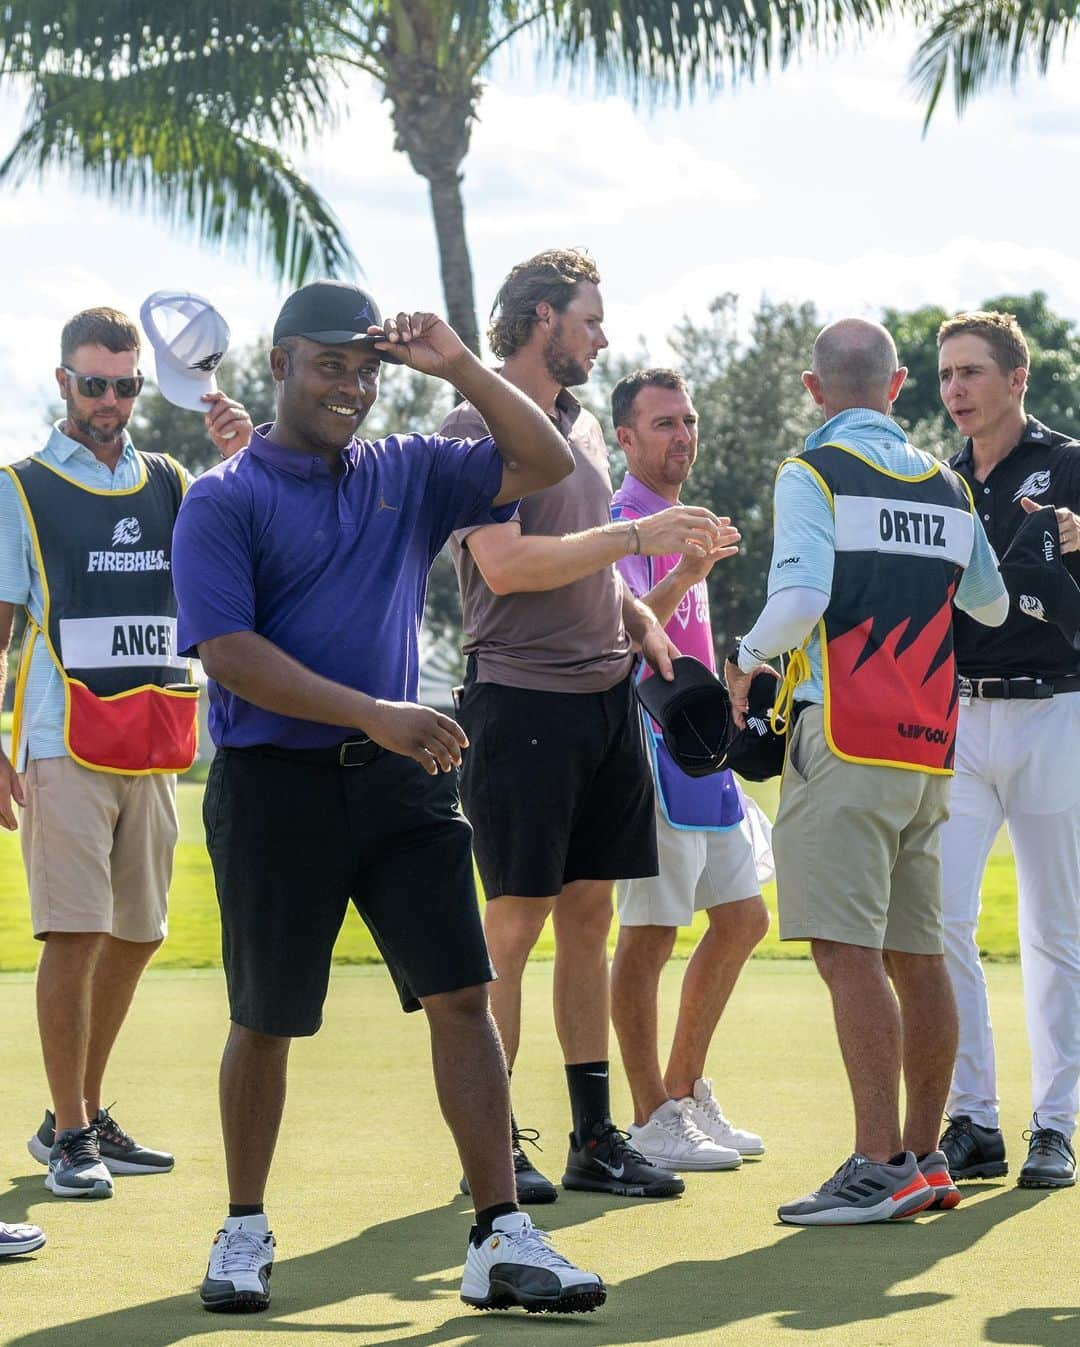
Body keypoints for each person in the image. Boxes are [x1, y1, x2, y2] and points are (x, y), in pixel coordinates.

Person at [171, 279, 605, 1316]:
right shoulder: (222, 497)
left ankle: (499, 1234)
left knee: (462, 996)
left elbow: (547, 463)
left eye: (367, 370)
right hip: (275, 787)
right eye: (331, 366)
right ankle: (243, 1227)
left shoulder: (409, 470)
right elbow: (230, 655)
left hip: (400, 787)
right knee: (266, 1017)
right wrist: (374, 712)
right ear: (279, 366)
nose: (353, 388)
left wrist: (457, 364)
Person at [444, 250, 731, 1203]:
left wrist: (641, 616)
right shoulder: (472, 421)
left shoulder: (577, 429)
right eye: (590, 320)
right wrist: (636, 540)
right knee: (515, 925)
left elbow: (588, 568)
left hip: (603, 700)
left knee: (590, 921)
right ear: (539, 320)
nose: (603, 337)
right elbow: (509, 565)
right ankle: (497, 1145)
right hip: (519, 701)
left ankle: (593, 1136)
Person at [725, 318, 1009, 1225]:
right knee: (918, 955)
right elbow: (992, 607)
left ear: (815, 391)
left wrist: (744, 655)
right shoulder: (950, 486)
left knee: (848, 954)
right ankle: (924, 1157)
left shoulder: (811, 472)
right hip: (931, 750)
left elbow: (801, 596)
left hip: (845, 740)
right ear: (895, 390)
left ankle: (876, 1162)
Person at [0, 306, 251, 1201]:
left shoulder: (177, 479)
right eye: (93, 383)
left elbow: (243, 548)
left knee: (138, 933)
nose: (110, 400)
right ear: (63, 381)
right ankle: (70, 1131)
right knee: (73, 932)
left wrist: (240, 459)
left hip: (154, 740)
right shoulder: (18, 485)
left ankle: (78, 1110)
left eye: (125, 383)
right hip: (59, 737)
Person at [608, 368, 770, 1173]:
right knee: (649, 934)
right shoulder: (619, 523)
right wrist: (684, 572)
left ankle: (685, 1084)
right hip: (648, 755)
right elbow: (626, 640)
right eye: (664, 422)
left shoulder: (685, 521)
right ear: (624, 438)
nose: (683, 436)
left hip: (705, 755)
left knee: (743, 921)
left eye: (690, 419)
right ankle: (649, 1114)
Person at [936, 310, 1080, 1189]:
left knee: (1056, 931)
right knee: (942, 922)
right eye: (947, 375)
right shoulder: (937, 481)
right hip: (955, 719)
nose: (956, 390)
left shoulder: (1069, 464)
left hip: (1055, 711)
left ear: (1016, 378)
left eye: (972, 372)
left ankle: (1056, 1124)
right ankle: (973, 1118)